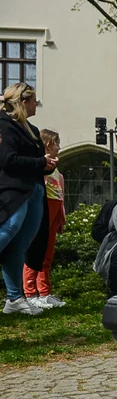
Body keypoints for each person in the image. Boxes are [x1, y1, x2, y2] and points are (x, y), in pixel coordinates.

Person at [0, 83, 58, 316]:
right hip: (16, 190)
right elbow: (8, 160)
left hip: (34, 190)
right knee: (10, 228)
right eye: (34, 101)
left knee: (20, 245)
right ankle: (15, 297)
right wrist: (39, 162)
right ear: (24, 102)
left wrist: (45, 165)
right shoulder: (6, 125)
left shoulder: (30, 129)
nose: (36, 105)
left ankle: (14, 298)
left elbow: (33, 160)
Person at [23, 129, 66, 309]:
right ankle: (30, 292)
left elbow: (61, 196)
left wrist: (62, 217)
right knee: (35, 251)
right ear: (48, 145)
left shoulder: (57, 171)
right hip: (43, 211)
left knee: (47, 254)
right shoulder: (39, 167)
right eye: (57, 144)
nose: (59, 148)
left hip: (54, 212)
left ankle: (45, 292)